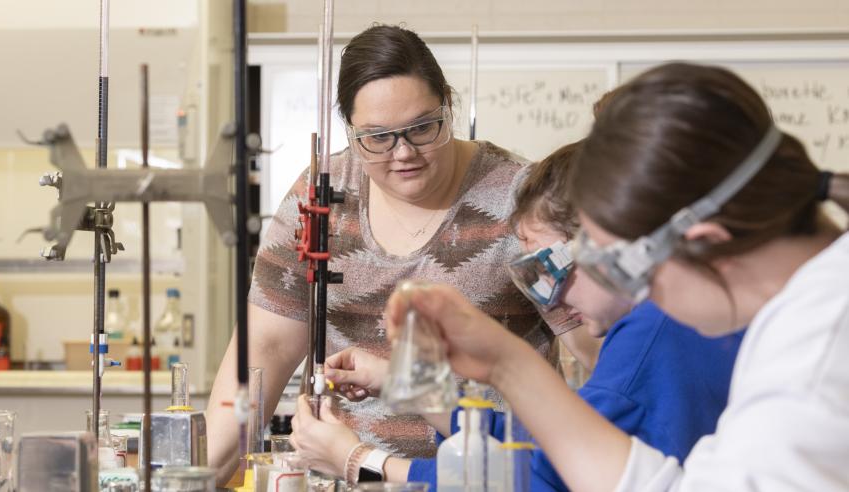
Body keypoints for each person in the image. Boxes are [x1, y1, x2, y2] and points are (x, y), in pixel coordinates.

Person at [382, 62, 849, 491]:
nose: (638, 298)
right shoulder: (805, 311)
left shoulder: (817, 357)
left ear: (706, 242)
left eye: (624, 269)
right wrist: (506, 363)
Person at [205, 24, 598, 483]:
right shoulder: (320, 196)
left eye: (422, 128)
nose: (404, 152)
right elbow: (263, 350)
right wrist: (199, 476)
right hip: (339, 475)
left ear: (447, 105)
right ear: (350, 130)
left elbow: (596, 349)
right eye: (378, 137)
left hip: (482, 478)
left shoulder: (519, 201)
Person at [289, 142, 744, 491]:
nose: (547, 298)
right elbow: (541, 442)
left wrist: (361, 461)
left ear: (606, 245)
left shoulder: (649, 342)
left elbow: (533, 481)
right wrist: (411, 386)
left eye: (548, 268)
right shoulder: (655, 325)